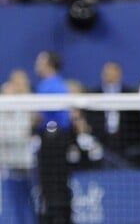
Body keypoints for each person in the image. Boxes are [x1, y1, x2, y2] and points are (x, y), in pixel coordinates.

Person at [34, 51, 74, 224]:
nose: (36, 64)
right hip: (56, 138)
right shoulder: (54, 84)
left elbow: (38, 115)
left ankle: (58, 218)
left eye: (40, 60)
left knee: (53, 181)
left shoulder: (50, 85)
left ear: (48, 64)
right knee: (55, 182)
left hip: (53, 140)